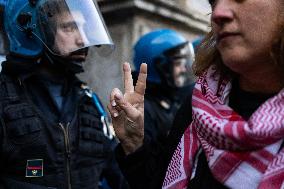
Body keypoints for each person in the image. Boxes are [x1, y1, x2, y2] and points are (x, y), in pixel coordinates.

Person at [108, 0, 284, 188]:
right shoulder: (198, 103)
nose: (217, 13)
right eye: (213, 2)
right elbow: (158, 180)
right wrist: (135, 145)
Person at [0, 0, 128, 188]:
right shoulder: (4, 99)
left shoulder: (90, 102)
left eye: (85, 29)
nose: (83, 40)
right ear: (32, 32)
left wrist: (134, 148)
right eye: (69, 28)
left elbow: (118, 176)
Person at [132, 29, 196, 145]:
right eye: (178, 64)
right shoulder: (141, 110)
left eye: (185, 63)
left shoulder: (171, 100)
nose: (184, 69)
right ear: (159, 67)